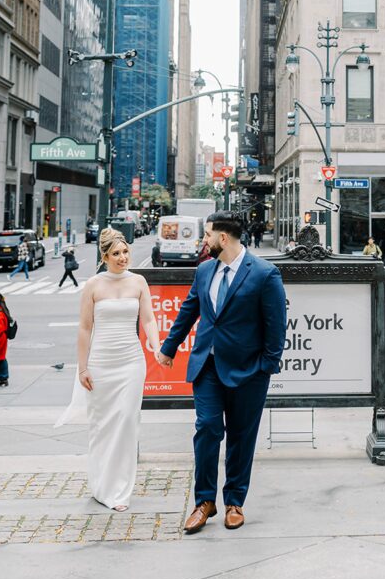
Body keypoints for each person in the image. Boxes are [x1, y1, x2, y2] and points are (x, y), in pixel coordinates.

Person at [157, 210, 286, 534]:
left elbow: (276, 327)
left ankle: (234, 503)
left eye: (207, 235)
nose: (204, 240)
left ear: (223, 238)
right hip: (207, 367)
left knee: (242, 437)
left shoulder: (264, 273)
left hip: (248, 371)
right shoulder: (204, 271)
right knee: (207, 428)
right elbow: (189, 310)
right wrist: (169, 348)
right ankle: (204, 502)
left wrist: (266, 368)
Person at [56, 228, 161, 511]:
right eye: (116, 253)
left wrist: (155, 344)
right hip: (101, 362)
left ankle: (120, 490)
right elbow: (84, 327)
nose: (123, 257)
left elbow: (149, 320)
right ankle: (102, 485)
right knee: (102, 426)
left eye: (125, 252)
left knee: (127, 422)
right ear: (105, 257)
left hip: (131, 361)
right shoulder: (93, 284)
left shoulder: (138, 282)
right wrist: (82, 368)